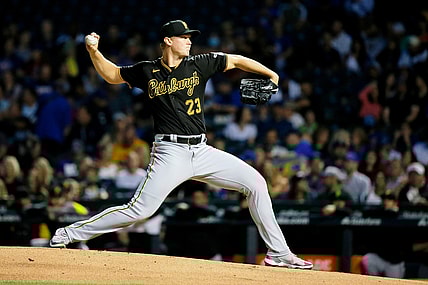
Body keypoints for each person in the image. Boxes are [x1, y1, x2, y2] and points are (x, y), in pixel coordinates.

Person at [49, 20, 313, 269]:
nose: (189, 41)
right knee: (139, 210)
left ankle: (279, 253)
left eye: (190, 37)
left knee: (256, 184)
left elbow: (236, 60)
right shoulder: (146, 70)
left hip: (201, 150)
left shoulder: (200, 64)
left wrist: (271, 74)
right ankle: (68, 233)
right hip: (169, 153)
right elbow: (112, 74)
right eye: (183, 37)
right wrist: (93, 51)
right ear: (167, 40)